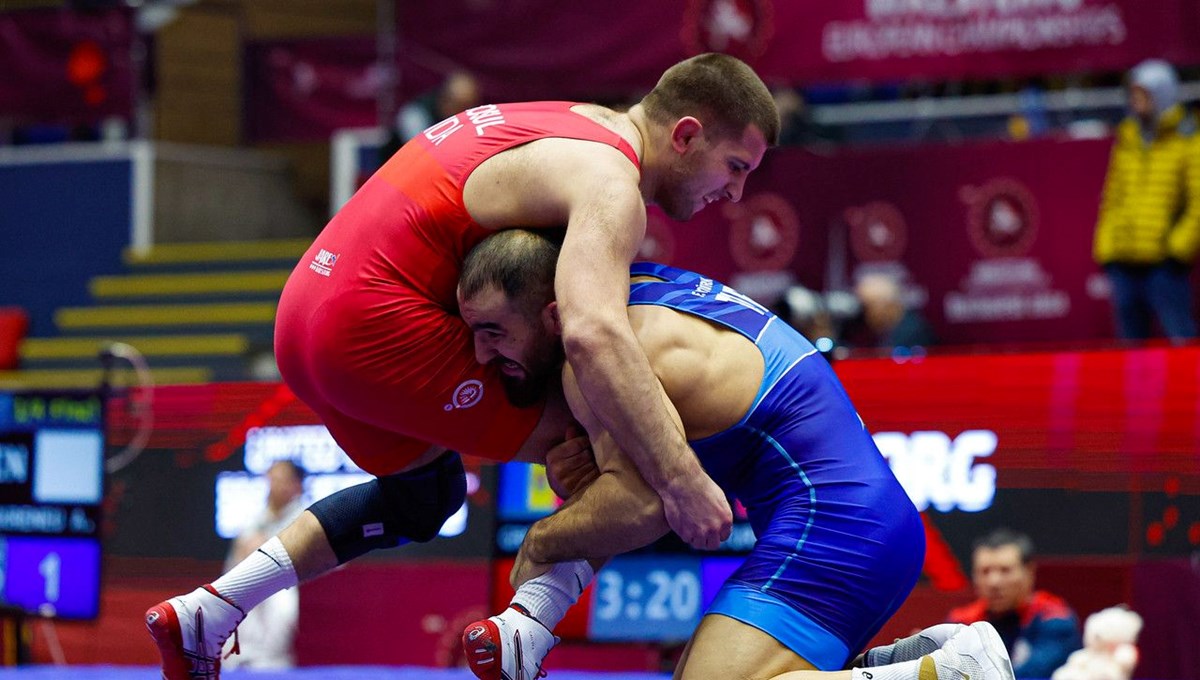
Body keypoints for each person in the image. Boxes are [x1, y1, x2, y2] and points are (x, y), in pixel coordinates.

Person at [145, 52, 779, 679]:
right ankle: (522, 635)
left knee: (426, 498)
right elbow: (593, 332)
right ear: (686, 134)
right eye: (735, 166)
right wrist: (682, 480)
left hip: (303, 313)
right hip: (369, 323)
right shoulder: (612, 181)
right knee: (642, 460)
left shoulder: (576, 120)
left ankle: (213, 608)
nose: (736, 192)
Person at [454, 230, 1013, 680]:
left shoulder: (593, 354)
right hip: (862, 523)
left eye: (494, 332)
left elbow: (638, 508)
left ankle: (948, 675)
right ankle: (904, 667)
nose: (481, 353)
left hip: (836, 528)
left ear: (553, 316)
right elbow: (618, 500)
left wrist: (542, 537)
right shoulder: (642, 290)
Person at [1094, 58, 1200, 341]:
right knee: (1130, 356)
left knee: (1181, 340)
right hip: (1124, 261)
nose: (1135, 100)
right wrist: (1106, 247)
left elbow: (1198, 203)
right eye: (1133, 93)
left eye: (1142, 94)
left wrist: (1177, 250)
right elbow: (1112, 197)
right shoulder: (1128, 138)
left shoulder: (1188, 139)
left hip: (1164, 266)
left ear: (1161, 94)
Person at [947, 528, 1081, 679]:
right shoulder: (961, 624)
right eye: (985, 571)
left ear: (1029, 571)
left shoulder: (1054, 620)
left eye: (1005, 570)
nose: (994, 582)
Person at [221, 460, 306, 670]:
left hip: (283, 583)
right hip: (246, 581)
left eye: (281, 480)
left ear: (296, 485)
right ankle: (239, 657)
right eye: (272, 479)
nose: (275, 485)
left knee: (282, 603)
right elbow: (242, 549)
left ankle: (271, 662)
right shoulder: (256, 514)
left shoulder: (306, 515)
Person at [379, 70, 483, 163]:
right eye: (463, 106)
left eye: (471, 105)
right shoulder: (415, 115)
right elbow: (424, 156)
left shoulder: (470, 116)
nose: (468, 111)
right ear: (447, 101)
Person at [854, 273, 937, 350]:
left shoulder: (911, 330)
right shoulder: (886, 328)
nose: (867, 314)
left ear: (884, 304)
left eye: (869, 306)